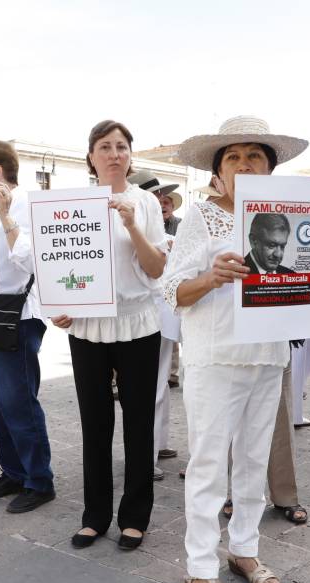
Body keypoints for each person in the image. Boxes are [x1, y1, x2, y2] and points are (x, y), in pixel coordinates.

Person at [164, 115, 309, 583]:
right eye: (233, 156)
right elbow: (171, 290)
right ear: (219, 171)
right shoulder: (202, 218)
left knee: (252, 461)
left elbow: (295, 289)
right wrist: (211, 276)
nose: (244, 164)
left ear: (270, 169)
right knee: (208, 463)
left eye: (255, 156)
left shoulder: (288, 220)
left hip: (267, 356)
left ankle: (244, 547)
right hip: (213, 356)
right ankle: (200, 567)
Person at [51, 120, 166, 551]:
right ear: (92, 156)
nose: (114, 153)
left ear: (131, 156)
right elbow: (60, 262)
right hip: (86, 327)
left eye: (121, 146)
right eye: (105, 146)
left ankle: (135, 516)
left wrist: (132, 224)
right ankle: (94, 515)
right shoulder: (70, 204)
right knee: (94, 423)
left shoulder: (147, 203)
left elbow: (156, 268)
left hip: (138, 322)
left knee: (138, 422)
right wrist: (59, 306)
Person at [0, 140, 55, 513]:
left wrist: (5, 218)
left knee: (18, 402)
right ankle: (13, 471)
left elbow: (31, 261)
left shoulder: (29, 205)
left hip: (17, 317)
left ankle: (39, 480)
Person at [127, 170, 181, 478]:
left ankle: (157, 444)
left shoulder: (155, 224)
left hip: (163, 311)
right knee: (152, 385)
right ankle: (144, 457)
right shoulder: (141, 224)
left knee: (160, 383)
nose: (162, 199)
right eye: (156, 193)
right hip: (150, 311)